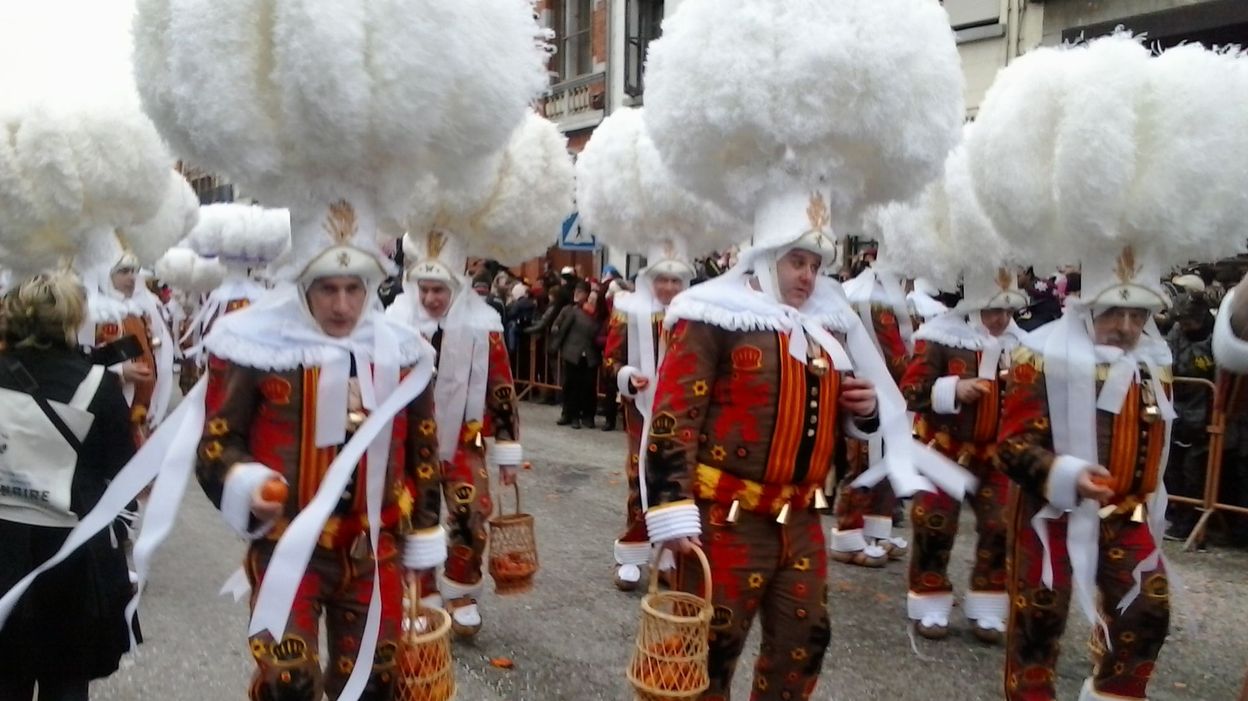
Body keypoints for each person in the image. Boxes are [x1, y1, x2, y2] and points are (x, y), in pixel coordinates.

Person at [195, 201, 445, 700]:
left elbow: (423, 452)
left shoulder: (403, 351)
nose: (342, 305)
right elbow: (217, 444)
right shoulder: (259, 348)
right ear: (303, 287)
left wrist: (423, 546)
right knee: (290, 682)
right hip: (290, 548)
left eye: (354, 289)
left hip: (376, 552)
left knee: (375, 684)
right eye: (328, 289)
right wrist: (245, 482)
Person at [0, 272, 138, 701]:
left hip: (3, 544)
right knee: (66, 679)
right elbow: (121, 467)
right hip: (73, 550)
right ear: (73, 318)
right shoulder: (100, 384)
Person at [388, 229, 524, 638]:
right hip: (411, 442)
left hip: (467, 437)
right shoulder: (393, 325)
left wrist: (507, 448)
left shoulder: (483, 325)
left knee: (473, 511)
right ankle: (421, 590)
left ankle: (461, 588)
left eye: (440, 290)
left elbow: (501, 387)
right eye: (425, 289)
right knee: (416, 515)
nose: (432, 299)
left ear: (457, 288)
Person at [900, 266, 1028, 643]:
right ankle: (929, 597)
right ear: (973, 307)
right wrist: (952, 390)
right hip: (943, 450)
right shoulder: (939, 337)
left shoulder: (1024, 345)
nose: (1001, 320)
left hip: (997, 456)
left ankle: (988, 603)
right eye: (992, 311)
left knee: (1001, 526)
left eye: (1007, 311)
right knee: (934, 524)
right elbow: (910, 390)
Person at [1163, 295, 1215, 542]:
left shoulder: (1216, 338)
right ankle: (1174, 517)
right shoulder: (1175, 331)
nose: (1182, 326)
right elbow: (1166, 358)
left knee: (1194, 473)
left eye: (1187, 321)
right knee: (1172, 469)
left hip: (1205, 410)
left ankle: (1191, 523)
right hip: (1177, 409)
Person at [550, 280, 601, 429]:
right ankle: (570, 415)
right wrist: (556, 328)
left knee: (588, 386)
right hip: (572, 353)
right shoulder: (570, 310)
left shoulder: (596, 313)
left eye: (581, 292)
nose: (577, 294)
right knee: (571, 385)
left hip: (590, 355)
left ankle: (587, 415)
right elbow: (558, 323)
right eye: (576, 291)